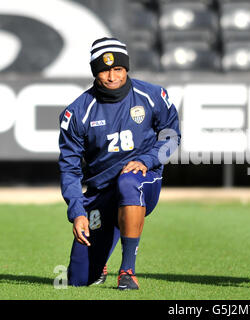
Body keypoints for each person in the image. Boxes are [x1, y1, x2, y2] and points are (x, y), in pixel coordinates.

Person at [58, 37, 180, 290]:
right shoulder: (77, 112)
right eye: (104, 70)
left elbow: (172, 137)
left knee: (128, 181)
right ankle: (99, 262)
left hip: (143, 182)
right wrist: (77, 212)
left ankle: (127, 271)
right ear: (95, 72)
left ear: (126, 69)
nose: (112, 76)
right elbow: (69, 168)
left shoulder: (153, 95)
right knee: (80, 279)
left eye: (118, 69)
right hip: (100, 193)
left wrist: (146, 160)